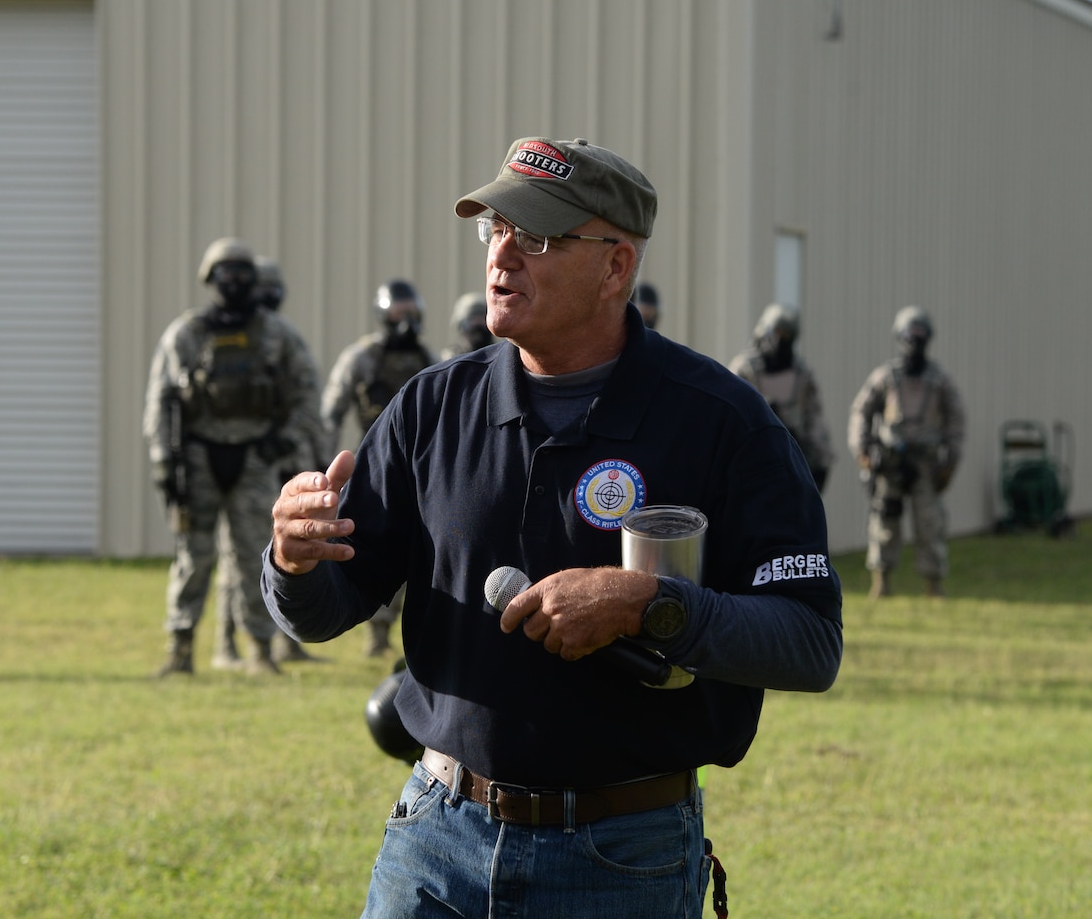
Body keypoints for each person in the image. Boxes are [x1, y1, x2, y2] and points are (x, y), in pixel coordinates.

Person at [265, 136, 843, 919]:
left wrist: (650, 604)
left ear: (616, 267)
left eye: (536, 237)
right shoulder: (432, 410)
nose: (502, 258)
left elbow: (809, 643)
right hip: (436, 835)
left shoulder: (722, 425)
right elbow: (330, 607)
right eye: (495, 230)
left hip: (622, 855)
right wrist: (292, 562)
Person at [143, 238, 323, 677]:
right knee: (193, 557)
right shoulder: (187, 333)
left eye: (243, 273)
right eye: (226, 273)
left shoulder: (277, 334)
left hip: (254, 458)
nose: (236, 282)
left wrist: (283, 442)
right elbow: (160, 401)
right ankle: (180, 650)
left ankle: (260, 650)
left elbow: (305, 391)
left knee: (254, 557)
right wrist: (165, 465)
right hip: (200, 459)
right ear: (210, 279)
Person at [320, 279, 436, 656]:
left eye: (412, 312)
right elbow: (331, 412)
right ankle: (376, 636)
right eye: (399, 313)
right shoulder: (363, 356)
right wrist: (323, 467)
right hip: (373, 466)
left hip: (422, 469)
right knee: (371, 547)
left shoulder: (426, 360)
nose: (408, 321)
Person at [848, 305, 966, 599]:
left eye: (920, 336)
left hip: (926, 462)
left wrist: (951, 459)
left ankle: (934, 584)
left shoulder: (940, 380)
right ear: (899, 338)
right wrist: (863, 449)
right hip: (890, 462)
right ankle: (881, 582)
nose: (914, 342)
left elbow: (956, 420)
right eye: (909, 336)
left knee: (930, 523)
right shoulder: (886, 376)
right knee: (884, 522)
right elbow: (861, 411)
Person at [729, 304, 834, 490]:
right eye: (777, 333)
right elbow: (729, 413)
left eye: (787, 335)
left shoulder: (802, 373)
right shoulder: (744, 369)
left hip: (792, 457)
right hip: (751, 457)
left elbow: (815, 418)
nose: (781, 340)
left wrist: (821, 462)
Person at [440, 291, 495, 360]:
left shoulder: (501, 357)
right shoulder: (450, 360)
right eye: (472, 319)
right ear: (460, 325)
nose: (478, 324)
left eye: (482, 319)